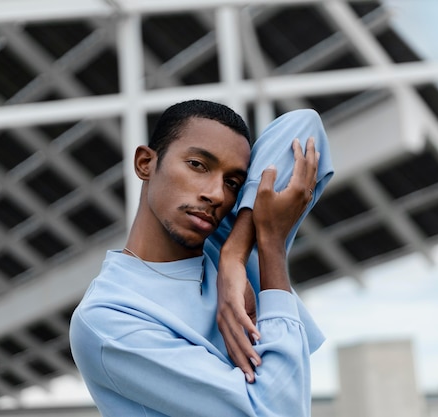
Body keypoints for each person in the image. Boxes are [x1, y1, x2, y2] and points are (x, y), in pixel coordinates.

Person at [69, 100, 334, 417]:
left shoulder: (226, 240)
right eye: (198, 165)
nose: (217, 195)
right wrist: (272, 247)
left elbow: (304, 125)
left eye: (233, 182)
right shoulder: (108, 318)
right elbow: (274, 411)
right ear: (145, 163)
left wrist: (234, 255)